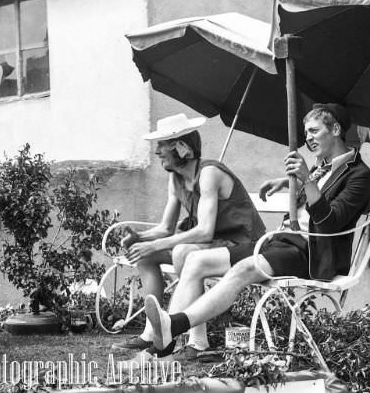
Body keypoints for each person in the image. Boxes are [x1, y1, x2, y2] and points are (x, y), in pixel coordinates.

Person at [142, 104, 370, 359]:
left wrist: (306, 179)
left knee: (244, 269)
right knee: (195, 260)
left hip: (313, 253)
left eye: (314, 131)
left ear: (336, 129)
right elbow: (322, 186)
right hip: (282, 242)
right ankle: (165, 337)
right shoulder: (323, 165)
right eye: (305, 131)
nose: (307, 137)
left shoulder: (360, 175)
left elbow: (330, 221)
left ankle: (174, 325)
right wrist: (289, 181)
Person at [112, 113, 266, 361]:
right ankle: (152, 332)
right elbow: (165, 228)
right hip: (212, 244)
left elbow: (205, 230)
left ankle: (195, 341)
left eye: (162, 145)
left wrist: (155, 243)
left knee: (185, 252)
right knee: (147, 257)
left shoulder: (209, 173)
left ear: (182, 148)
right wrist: (140, 238)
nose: (157, 152)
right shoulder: (175, 178)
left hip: (242, 244)